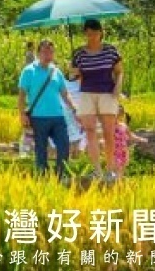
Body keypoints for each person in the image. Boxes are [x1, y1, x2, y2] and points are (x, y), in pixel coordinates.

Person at [70, 18, 124, 181]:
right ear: (85, 34)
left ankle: (110, 168)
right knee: (90, 131)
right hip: (87, 93)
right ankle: (96, 169)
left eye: (94, 33)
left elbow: (119, 71)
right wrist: (73, 72)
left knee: (108, 132)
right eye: (88, 33)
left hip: (107, 92)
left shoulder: (110, 50)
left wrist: (118, 88)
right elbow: (76, 76)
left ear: (101, 33)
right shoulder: (79, 53)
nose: (91, 36)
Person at [17, 40, 78, 179]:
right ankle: (43, 177)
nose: (48, 55)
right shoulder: (28, 71)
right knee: (41, 150)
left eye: (51, 52)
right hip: (38, 118)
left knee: (64, 145)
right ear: (38, 53)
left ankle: (61, 175)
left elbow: (64, 93)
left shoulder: (57, 72)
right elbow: (21, 96)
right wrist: (22, 115)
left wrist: (74, 108)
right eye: (45, 52)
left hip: (57, 117)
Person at [113, 105, 148, 178]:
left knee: (122, 170)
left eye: (120, 113)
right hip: (114, 152)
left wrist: (140, 139)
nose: (118, 115)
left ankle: (119, 186)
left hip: (123, 151)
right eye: (116, 113)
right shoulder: (109, 126)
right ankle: (116, 185)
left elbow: (131, 135)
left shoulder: (124, 126)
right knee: (117, 169)